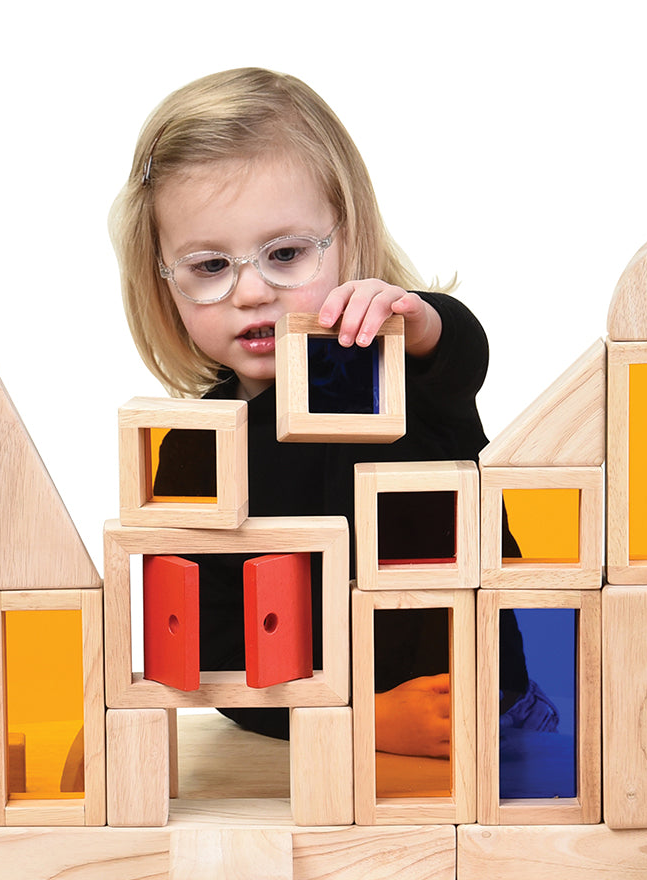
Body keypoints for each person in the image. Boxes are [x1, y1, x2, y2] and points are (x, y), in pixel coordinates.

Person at [110, 67, 532, 753]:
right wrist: (358, 720)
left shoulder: (395, 368)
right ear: (160, 279)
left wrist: (414, 321)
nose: (250, 292)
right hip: (310, 741)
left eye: (285, 254)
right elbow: (214, 655)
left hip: (481, 714)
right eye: (210, 266)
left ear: (348, 234)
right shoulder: (193, 447)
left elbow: (458, 354)